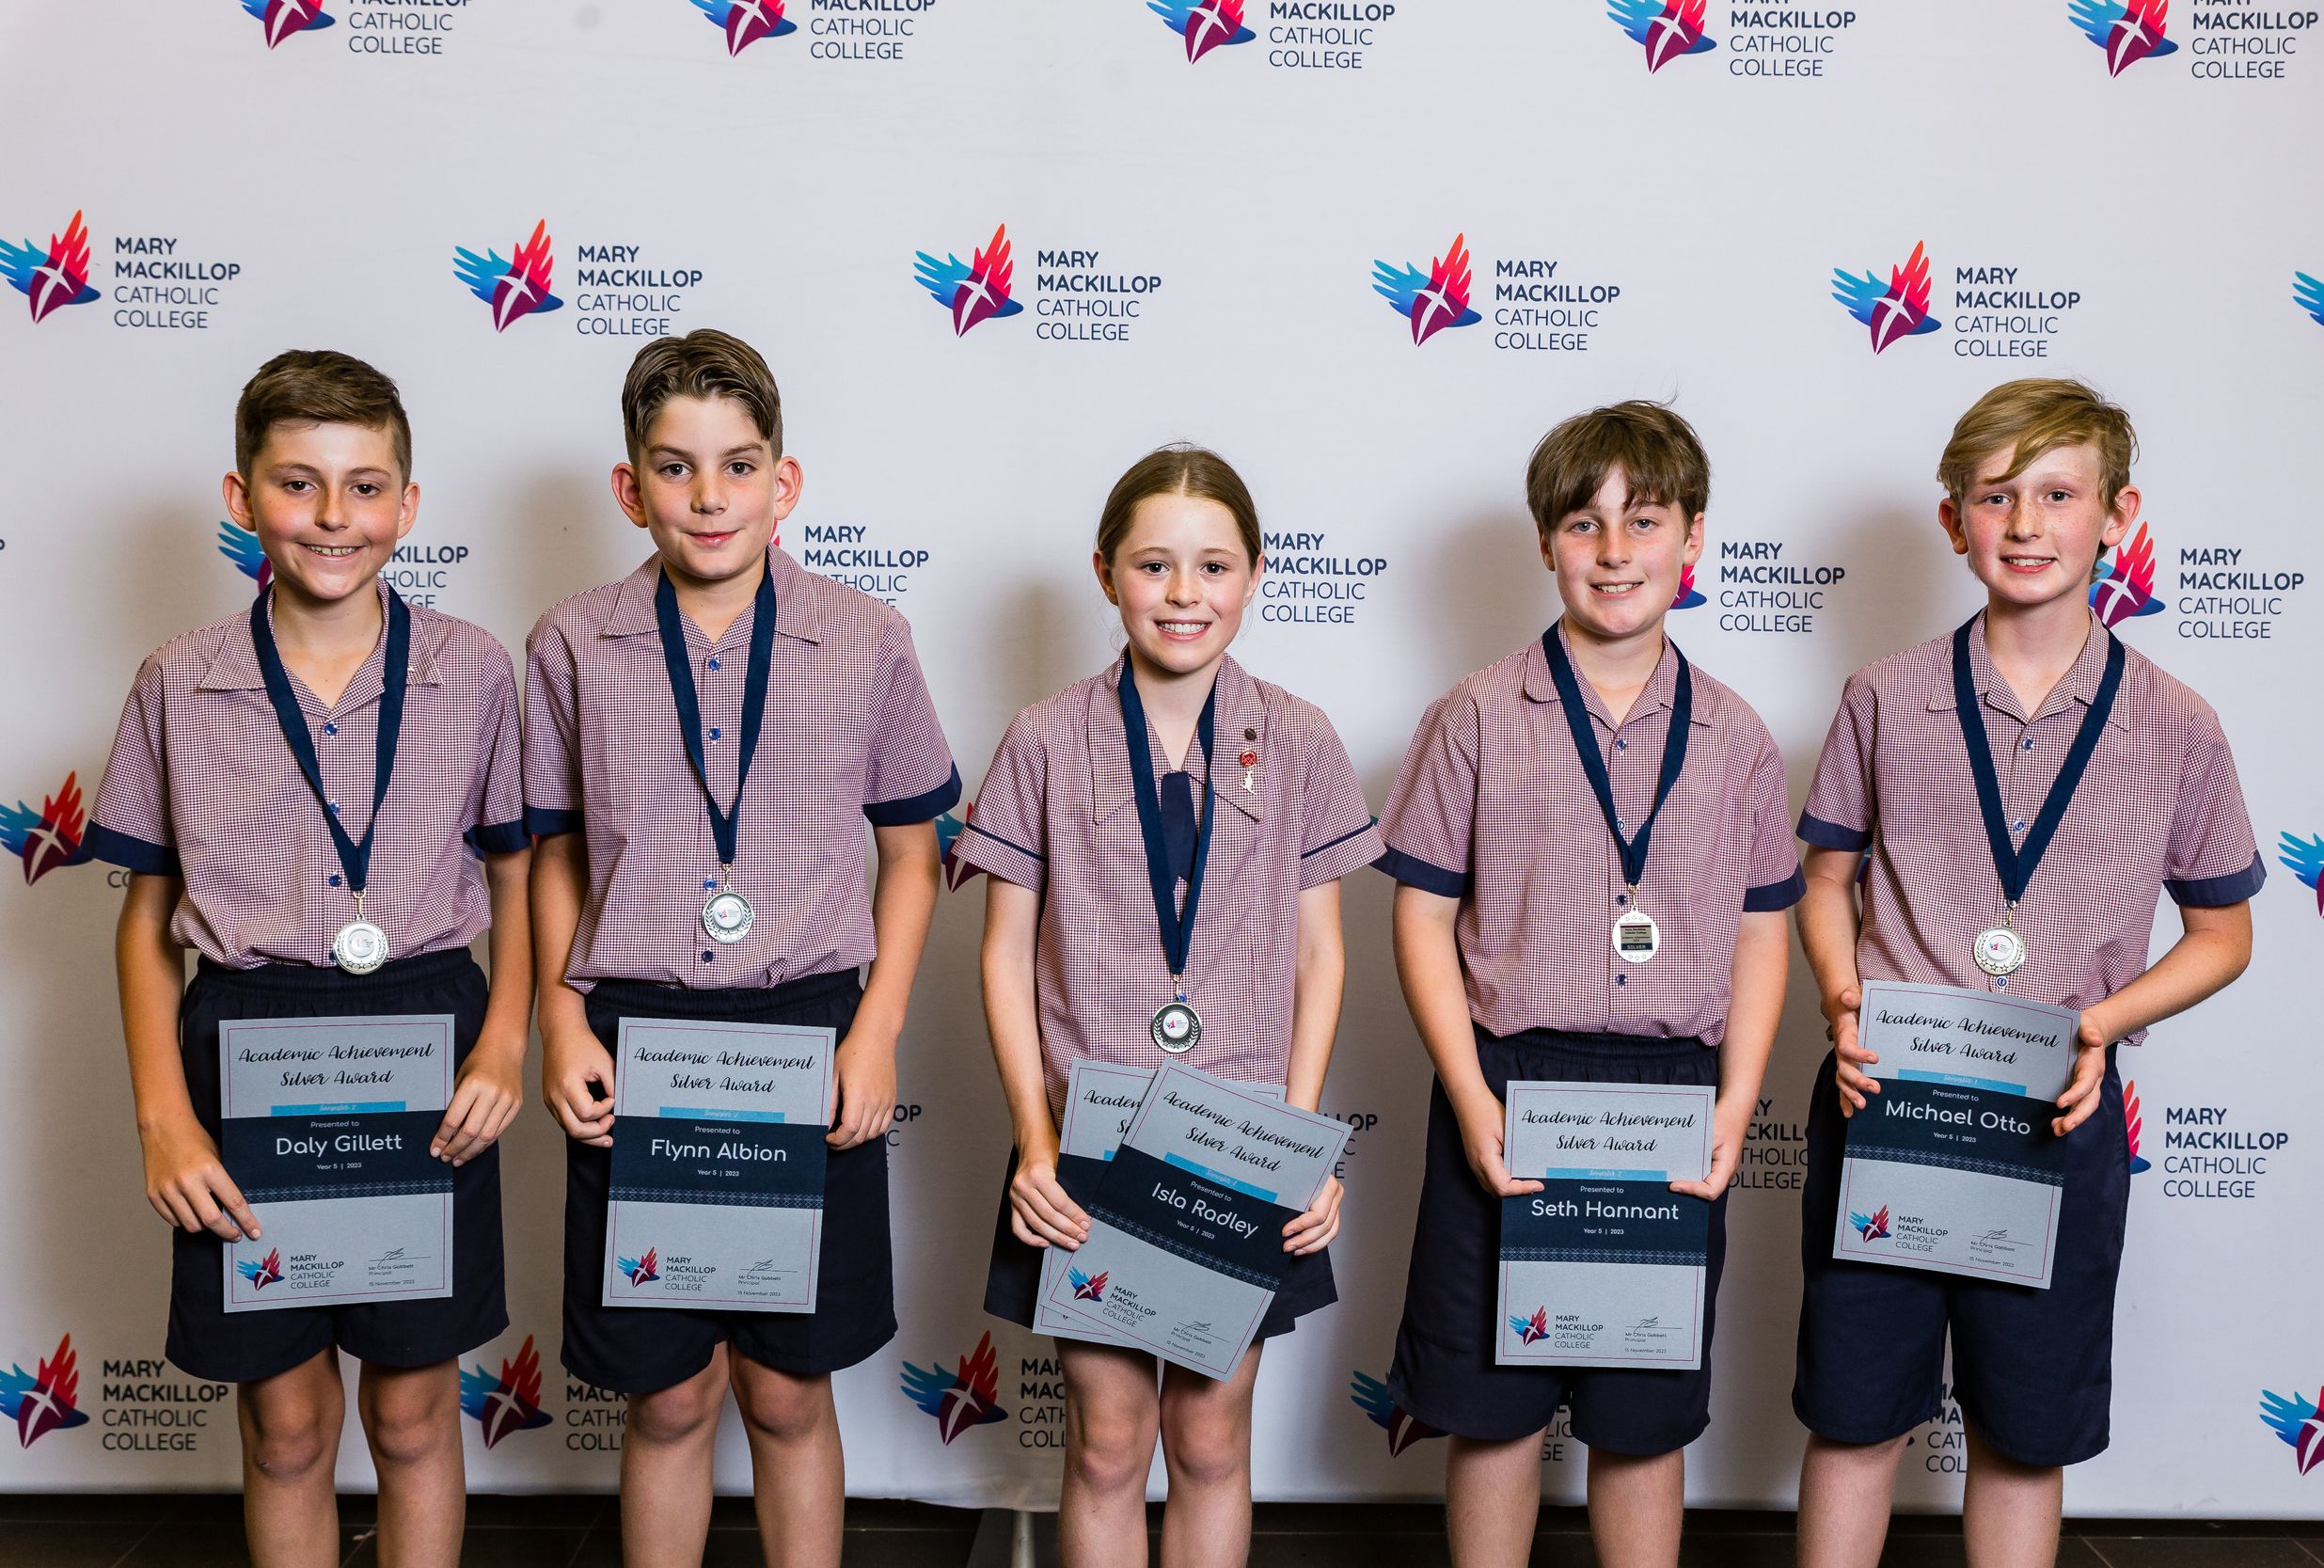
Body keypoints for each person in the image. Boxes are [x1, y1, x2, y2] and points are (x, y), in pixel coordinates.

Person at [1790, 378, 2263, 1568]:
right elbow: (1823, 882)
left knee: (2022, 1433)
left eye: (2057, 494)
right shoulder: (1883, 695)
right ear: (1953, 519)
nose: (2026, 523)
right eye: (1996, 496)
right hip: (1887, 1101)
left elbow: (2223, 933)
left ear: (2116, 516)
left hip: (2058, 1110)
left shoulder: (2178, 724)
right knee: (1855, 1418)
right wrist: (1844, 1003)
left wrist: (2100, 1021)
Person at [525, 328, 957, 1568]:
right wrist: (560, 1015)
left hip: (808, 1028)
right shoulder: (571, 641)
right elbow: (553, 852)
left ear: (785, 480)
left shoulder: (866, 635)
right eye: (676, 467)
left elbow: (913, 853)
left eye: (738, 464)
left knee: (784, 1389)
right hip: (637, 1035)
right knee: (667, 1396)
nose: (709, 496)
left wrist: (875, 1031)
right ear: (631, 488)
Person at [91, 350, 530, 1568]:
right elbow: (144, 916)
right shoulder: (178, 679)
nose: (334, 516)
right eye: (298, 483)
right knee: (284, 1425)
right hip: (247, 1043)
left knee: (412, 1408)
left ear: (409, 503)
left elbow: (514, 873)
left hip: (428, 1037)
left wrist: (506, 1037)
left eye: (365, 486)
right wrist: (163, 1118)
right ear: (241, 497)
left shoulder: (474, 668)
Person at [1377, 402, 1801, 1568]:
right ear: (1545, 541)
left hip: (1670, 1094)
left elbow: (1764, 934)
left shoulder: (1735, 736)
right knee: (1492, 1407)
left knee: (1640, 1416)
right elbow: (1420, 916)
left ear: (1693, 538)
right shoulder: (1472, 715)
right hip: (1507, 1082)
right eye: (1584, 523)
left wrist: (1734, 1103)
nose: (1615, 551)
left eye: (1644, 520)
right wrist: (1470, 1096)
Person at [956, 444, 1383, 1568]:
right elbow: (1003, 954)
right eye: (1153, 564)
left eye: (1212, 565)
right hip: (1087, 1145)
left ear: (1253, 574)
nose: (1183, 592)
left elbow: (1322, 953)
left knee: (1208, 1437)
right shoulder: (1045, 738)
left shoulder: (1299, 737)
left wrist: (1301, 1147)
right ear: (1106, 572)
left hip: (1240, 1148)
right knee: (1105, 1443)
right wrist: (1035, 1145)